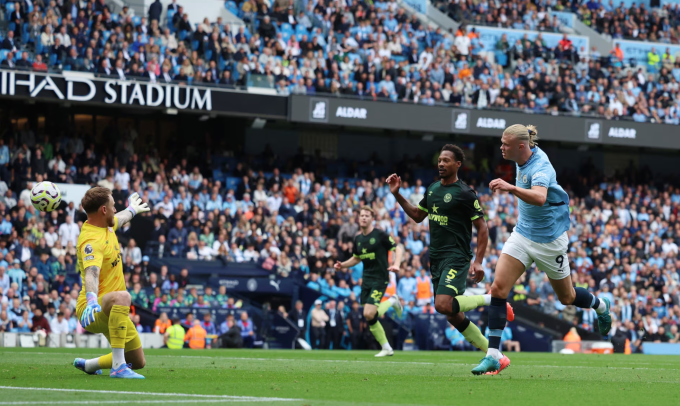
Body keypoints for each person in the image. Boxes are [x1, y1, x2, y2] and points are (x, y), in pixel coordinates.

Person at [466, 125, 611, 375]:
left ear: (521, 146)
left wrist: (510, 188)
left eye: (505, 144)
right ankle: (493, 355)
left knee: (566, 297)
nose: (501, 147)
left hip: (549, 242)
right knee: (498, 289)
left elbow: (540, 197)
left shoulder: (542, 165)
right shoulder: (522, 156)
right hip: (522, 234)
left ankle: (601, 306)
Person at [386, 144, 501, 362]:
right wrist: (397, 194)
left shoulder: (465, 193)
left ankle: (489, 299)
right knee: (452, 315)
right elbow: (418, 215)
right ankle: (494, 354)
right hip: (436, 258)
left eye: (446, 160)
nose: (441, 163)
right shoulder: (432, 189)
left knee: (442, 304)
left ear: (458, 164)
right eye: (439, 160)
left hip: (456, 256)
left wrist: (478, 262)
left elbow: (482, 228)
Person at [72, 187, 150, 379]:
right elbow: (91, 273)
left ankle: (91, 365)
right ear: (103, 210)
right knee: (124, 296)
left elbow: (120, 218)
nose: (116, 209)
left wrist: (132, 209)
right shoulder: (91, 240)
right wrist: (91, 300)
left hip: (114, 307)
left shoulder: (106, 225)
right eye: (113, 206)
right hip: (93, 308)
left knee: (138, 361)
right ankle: (118, 367)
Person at [334, 206, 403, 357]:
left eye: (367, 215)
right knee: (369, 315)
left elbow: (397, 249)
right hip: (366, 279)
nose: (364, 218)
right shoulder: (358, 239)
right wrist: (342, 265)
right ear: (358, 219)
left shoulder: (380, 235)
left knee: (368, 312)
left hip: (380, 278)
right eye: (361, 216)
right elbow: (357, 258)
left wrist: (396, 264)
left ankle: (392, 301)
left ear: (372, 218)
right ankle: (386, 347)